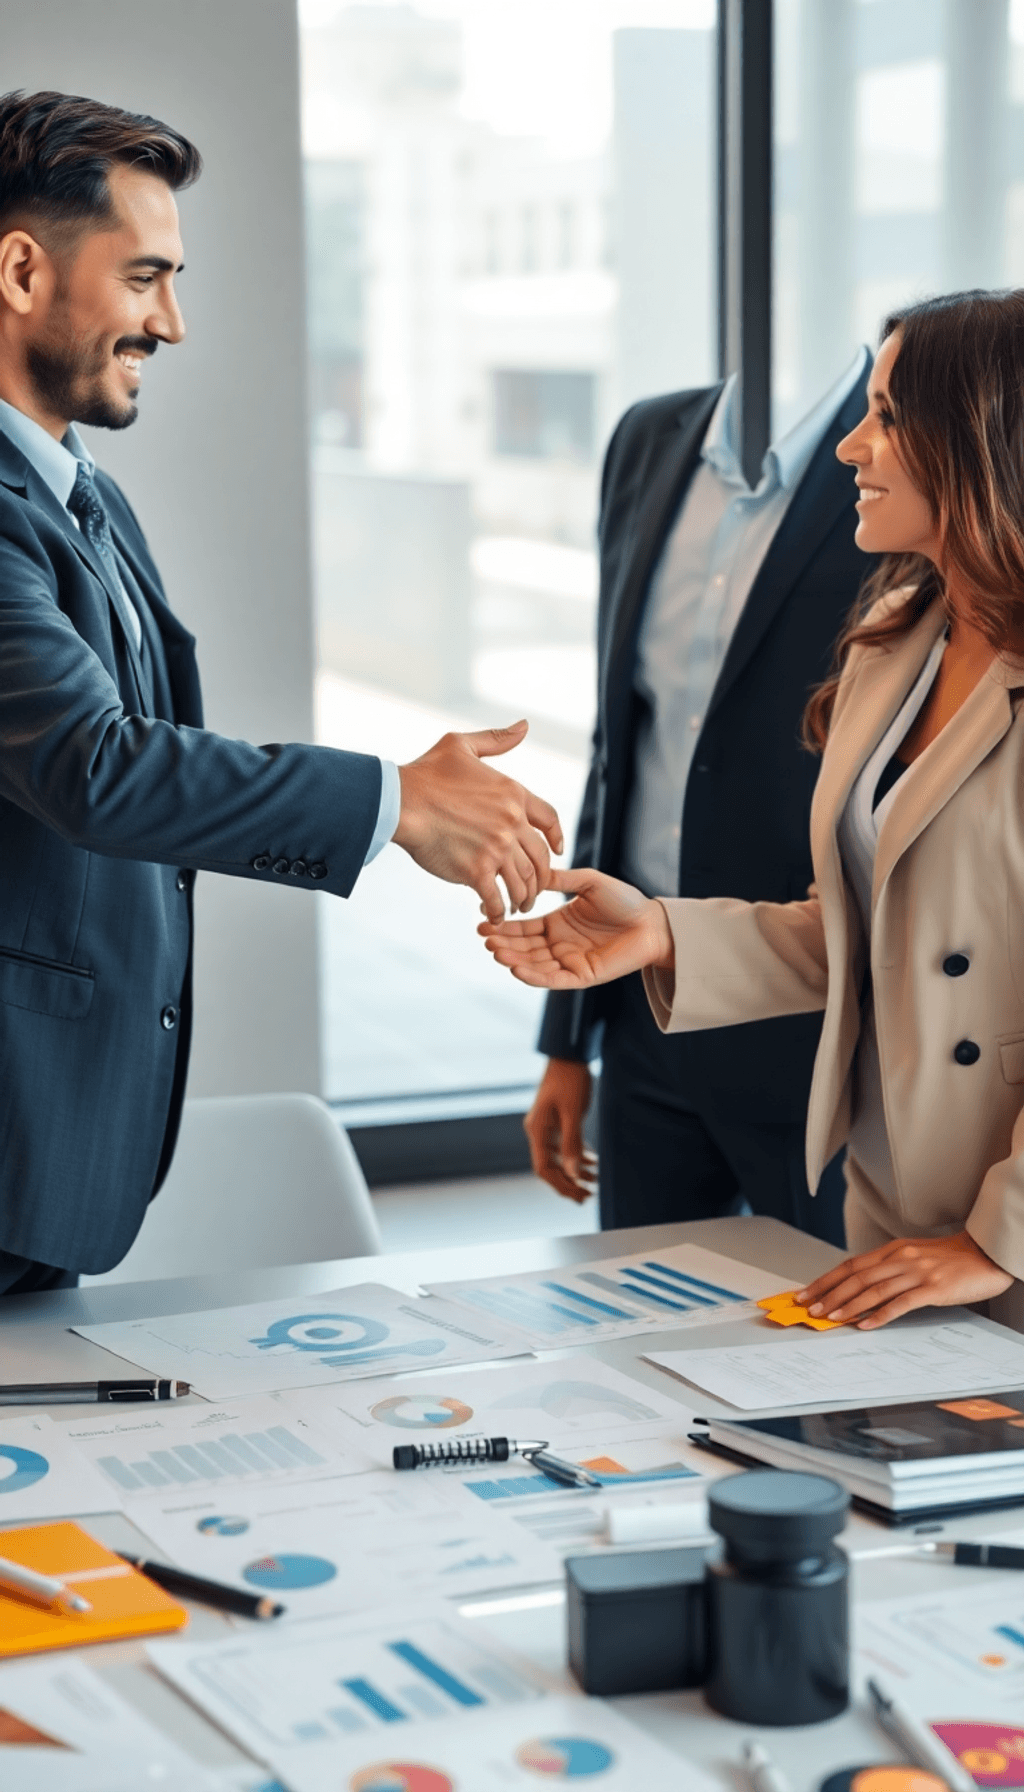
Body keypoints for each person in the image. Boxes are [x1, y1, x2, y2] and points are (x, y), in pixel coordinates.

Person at [0, 89, 562, 1295]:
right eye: (145, 276)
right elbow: (92, 763)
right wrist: (392, 802)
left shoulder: (74, 489)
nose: (174, 321)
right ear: (21, 271)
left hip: (43, 1153)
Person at [484, 289, 1024, 1328]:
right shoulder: (897, 638)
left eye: (889, 416)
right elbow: (880, 930)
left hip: (995, 1230)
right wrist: (659, 933)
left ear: (981, 437)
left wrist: (994, 1236)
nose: (850, 447)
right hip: (902, 1206)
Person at [528, 350, 877, 1245]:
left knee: (826, 1360)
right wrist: (570, 1040)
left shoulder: (893, 465)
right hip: (644, 1003)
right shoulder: (650, 435)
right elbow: (622, 744)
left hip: (813, 1024)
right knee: (633, 1334)